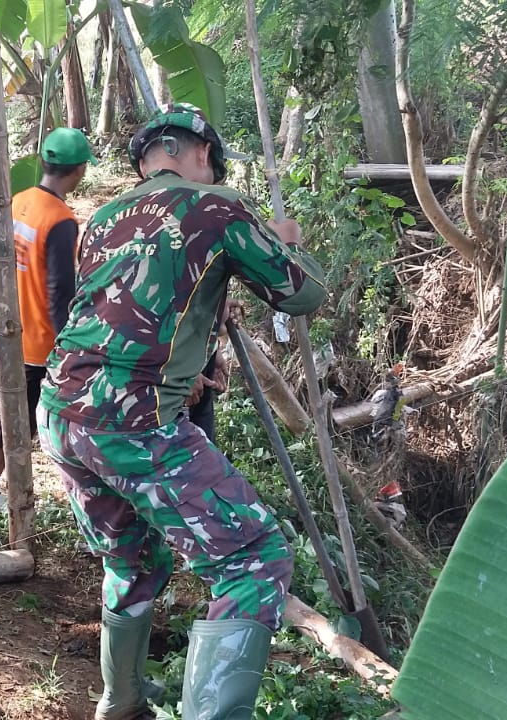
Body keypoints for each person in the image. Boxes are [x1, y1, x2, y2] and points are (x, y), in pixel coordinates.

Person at [37, 103, 327, 720]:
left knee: (134, 557)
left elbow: (132, 310)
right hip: (134, 420)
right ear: (201, 156)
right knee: (255, 559)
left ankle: (121, 704)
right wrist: (282, 244)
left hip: (62, 412)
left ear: (145, 161)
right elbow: (302, 293)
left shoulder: (104, 217)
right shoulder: (217, 205)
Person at [0, 128, 95, 513]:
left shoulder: (19, 201)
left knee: (16, 410)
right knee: (32, 416)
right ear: (79, 172)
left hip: (12, 327)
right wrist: (69, 346)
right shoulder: (60, 219)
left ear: (43, 163)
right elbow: (61, 292)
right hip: (42, 340)